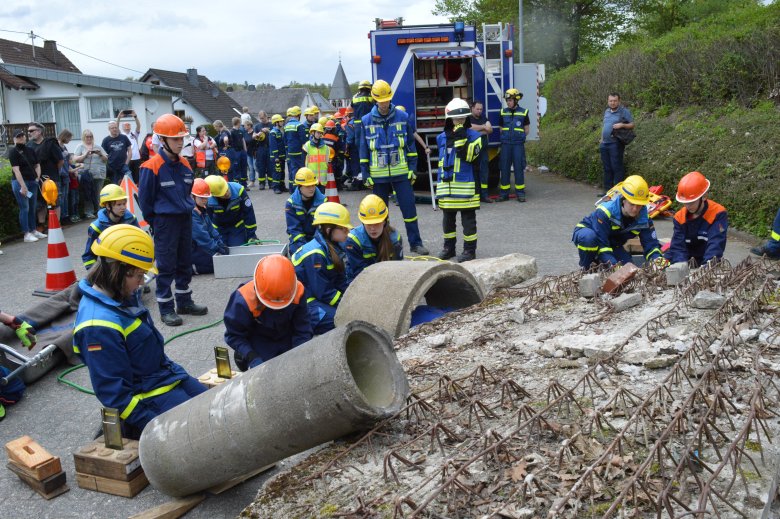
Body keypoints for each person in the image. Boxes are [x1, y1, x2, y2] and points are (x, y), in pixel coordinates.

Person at [73, 224, 207, 439]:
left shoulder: (119, 295)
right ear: (119, 271)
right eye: (138, 276)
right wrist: (155, 428)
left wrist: (181, 377)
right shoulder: (97, 327)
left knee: (217, 406)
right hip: (147, 398)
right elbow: (115, 395)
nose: (141, 283)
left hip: (164, 378)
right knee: (203, 429)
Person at [139, 114, 208, 327]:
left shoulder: (186, 164)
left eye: (182, 139)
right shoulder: (151, 167)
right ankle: (166, 308)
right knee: (167, 266)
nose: (180, 143)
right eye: (175, 139)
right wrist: (157, 222)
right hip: (165, 223)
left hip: (184, 219)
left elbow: (187, 193)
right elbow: (145, 201)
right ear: (163, 140)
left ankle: (184, 302)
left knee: (185, 262)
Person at [359, 79, 429, 255]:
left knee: (409, 210)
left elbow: (411, 147)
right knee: (380, 215)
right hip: (378, 176)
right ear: (375, 99)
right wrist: (365, 173)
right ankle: (384, 245)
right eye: (380, 100)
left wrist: (413, 169)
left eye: (387, 100)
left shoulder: (403, 117)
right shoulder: (365, 121)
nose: (384, 103)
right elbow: (363, 149)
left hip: (401, 174)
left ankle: (416, 243)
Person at [223, 255, 313, 371]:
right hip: (259, 338)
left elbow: (303, 329)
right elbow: (234, 335)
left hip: (286, 336)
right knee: (264, 371)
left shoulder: (297, 291)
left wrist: (298, 355)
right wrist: (252, 357)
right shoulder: (243, 300)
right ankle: (243, 356)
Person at [572, 175, 664, 269]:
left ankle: (600, 264)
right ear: (623, 199)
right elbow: (602, 246)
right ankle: (586, 270)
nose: (635, 209)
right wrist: (614, 266)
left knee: (629, 269)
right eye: (632, 204)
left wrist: (659, 263)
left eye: (639, 205)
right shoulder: (605, 212)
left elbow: (651, 245)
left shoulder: (644, 219)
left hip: (613, 244)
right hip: (590, 234)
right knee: (589, 239)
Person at [292, 202, 352, 334]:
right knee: (340, 319)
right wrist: (346, 305)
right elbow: (323, 292)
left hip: (316, 297)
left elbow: (340, 281)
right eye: (343, 228)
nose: (347, 232)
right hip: (304, 303)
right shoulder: (315, 254)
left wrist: (352, 297)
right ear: (328, 229)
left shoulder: (334, 247)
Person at [435, 98, 482, 262]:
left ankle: (469, 251)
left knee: (468, 222)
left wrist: (461, 139)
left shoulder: (475, 137)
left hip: (466, 188)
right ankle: (449, 248)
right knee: (448, 222)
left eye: (462, 118)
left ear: (467, 118)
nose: (459, 121)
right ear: (450, 119)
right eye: (456, 119)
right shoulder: (441, 137)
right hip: (446, 188)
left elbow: (469, 156)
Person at [665, 171, 728, 267]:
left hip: (706, 259)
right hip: (684, 258)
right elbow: (677, 246)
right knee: (659, 264)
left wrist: (708, 266)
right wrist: (680, 264)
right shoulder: (679, 217)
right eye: (685, 203)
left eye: (691, 202)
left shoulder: (717, 213)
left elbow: (716, 243)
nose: (687, 206)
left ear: (704, 197)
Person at [345, 194, 403, 283]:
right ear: (363, 222)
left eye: (376, 223)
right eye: (369, 224)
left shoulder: (395, 239)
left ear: (384, 221)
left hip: (387, 280)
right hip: (359, 282)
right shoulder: (353, 240)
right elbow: (359, 273)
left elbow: (398, 270)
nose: (372, 228)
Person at [81, 184, 141, 269]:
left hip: (129, 265)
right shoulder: (96, 227)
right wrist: (95, 275)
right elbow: (89, 256)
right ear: (108, 206)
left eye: (124, 203)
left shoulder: (132, 220)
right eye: (119, 204)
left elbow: (139, 244)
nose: (123, 207)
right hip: (109, 268)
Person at [9, 129, 45, 243]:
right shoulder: (13, 152)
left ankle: (33, 230)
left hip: (32, 181)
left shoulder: (30, 150)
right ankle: (26, 233)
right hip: (20, 182)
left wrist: (37, 177)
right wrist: (23, 186)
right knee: (25, 208)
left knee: (32, 207)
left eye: (22, 136)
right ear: (14, 139)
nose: (21, 138)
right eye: (18, 136)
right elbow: (16, 170)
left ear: (25, 137)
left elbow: (37, 164)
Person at [203, 175, 258, 247]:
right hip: (219, 229)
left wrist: (252, 235)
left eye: (227, 189)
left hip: (237, 227)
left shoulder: (239, 190)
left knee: (238, 250)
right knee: (220, 251)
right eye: (223, 194)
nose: (227, 193)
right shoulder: (209, 200)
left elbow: (248, 213)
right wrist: (212, 236)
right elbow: (208, 220)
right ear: (215, 195)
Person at [27, 122, 61, 232]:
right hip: (36, 178)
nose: (29, 133)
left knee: (53, 201)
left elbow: (60, 160)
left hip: (51, 178)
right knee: (40, 202)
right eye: (28, 131)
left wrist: (54, 173)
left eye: (32, 131)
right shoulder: (29, 146)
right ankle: (41, 225)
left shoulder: (50, 143)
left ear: (40, 131)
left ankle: (56, 223)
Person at [190, 178, 228, 275]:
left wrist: (221, 243)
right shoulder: (191, 212)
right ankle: (191, 267)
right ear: (192, 196)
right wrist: (216, 248)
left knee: (221, 261)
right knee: (217, 265)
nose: (204, 200)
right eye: (201, 198)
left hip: (200, 247)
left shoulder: (202, 209)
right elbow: (201, 236)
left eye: (206, 198)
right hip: (193, 250)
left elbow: (211, 229)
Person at [498, 89, 530, 202]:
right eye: (507, 100)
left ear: (516, 100)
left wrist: (519, 137)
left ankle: (520, 194)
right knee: (504, 168)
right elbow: (501, 128)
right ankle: (504, 194)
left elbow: (526, 129)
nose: (508, 102)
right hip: (506, 144)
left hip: (517, 145)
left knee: (518, 168)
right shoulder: (502, 112)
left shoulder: (524, 112)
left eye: (510, 100)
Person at [599, 93, 634, 196]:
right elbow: (604, 125)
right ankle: (607, 191)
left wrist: (622, 125)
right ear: (608, 101)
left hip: (615, 143)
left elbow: (632, 124)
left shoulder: (624, 111)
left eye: (614, 101)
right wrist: (601, 139)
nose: (612, 103)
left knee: (616, 167)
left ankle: (618, 192)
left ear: (619, 101)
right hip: (604, 144)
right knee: (607, 168)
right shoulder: (606, 111)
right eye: (610, 101)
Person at [286, 167, 327, 255]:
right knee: (296, 252)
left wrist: (314, 246)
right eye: (308, 186)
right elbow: (294, 230)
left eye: (313, 185)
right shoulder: (291, 203)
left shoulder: (323, 201)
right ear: (299, 187)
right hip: (300, 240)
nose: (311, 188)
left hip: (319, 238)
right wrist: (305, 248)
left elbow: (323, 228)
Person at [74, 129, 108, 219]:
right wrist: (85, 155)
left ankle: (99, 210)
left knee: (98, 193)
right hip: (86, 174)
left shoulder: (98, 146)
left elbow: (106, 159)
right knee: (87, 193)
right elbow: (75, 160)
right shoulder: (80, 146)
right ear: (83, 137)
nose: (89, 138)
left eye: (90, 136)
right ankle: (89, 212)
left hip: (98, 173)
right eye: (87, 136)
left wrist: (100, 153)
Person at [468, 100, 493, 203]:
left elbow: (490, 130)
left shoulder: (484, 118)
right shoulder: (468, 118)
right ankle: (476, 195)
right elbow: (469, 128)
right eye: (477, 109)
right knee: (473, 172)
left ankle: (485, 195)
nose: (479, 111)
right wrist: (483, 128)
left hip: (483, 150)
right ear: (472, 108)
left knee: (484, 172)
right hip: (472, 150)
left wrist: (477, 130)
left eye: (481, 109)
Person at [57, 130, 79, 224]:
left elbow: (67, 161)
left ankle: (65, 216)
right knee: (61, 197)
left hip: (66, 173)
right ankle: (62, 217)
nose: (70, 140)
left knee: (65, 196)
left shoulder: (64, 146)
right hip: (60, 174)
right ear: (65, 137)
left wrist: (72, 170)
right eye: (69, 138)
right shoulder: (57, 146)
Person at [284, 106, 307, 190]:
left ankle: (294, 188)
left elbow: (285, 140)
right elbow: (303, 139)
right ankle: (301, 187)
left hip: (290, 152)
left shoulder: (286, 126)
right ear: (298, 115)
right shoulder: (299, 125)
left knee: (293, 170)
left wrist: (288, 149)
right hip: (299, 151)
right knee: (301, 169)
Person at [302, 123, 330, 188]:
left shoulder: (326, 147)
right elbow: (302, 162)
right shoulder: (307, 146)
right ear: (312, 133)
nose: (319, 134)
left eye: (320, 133)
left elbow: (327, 163)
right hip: (311, 179)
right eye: (317, 132)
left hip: (322, 181)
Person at [117, 110, 142, 183]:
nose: (127, 126)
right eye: (125, 125)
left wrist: (135, 117)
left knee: (138, 178)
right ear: (122, 127)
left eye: (128, 125)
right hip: (127, 159)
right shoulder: (121, 135)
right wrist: (119, 117)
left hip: (137, 158)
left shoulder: (134, 135)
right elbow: (116, 126)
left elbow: (138, 126)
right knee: (128, 178)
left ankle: (137, 193)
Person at [252, 111, 272, 190]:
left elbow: (277, 134)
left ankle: (271, 183)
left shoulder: (272, 125)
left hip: (269, 147)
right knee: (261, 166)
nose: (261, 120)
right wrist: (256, 135)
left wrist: (268, 131)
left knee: (270, 166)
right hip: (261, 148)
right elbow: (253, 135)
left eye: (263, 118)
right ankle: (261, 183)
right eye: (260, 118)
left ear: (266, 116)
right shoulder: (257, 126)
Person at [269, 114, 287, 194]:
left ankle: (282, 186)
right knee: (277, 172)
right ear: (276, 123)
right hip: (276, 157)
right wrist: (276, 157)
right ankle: (276, 187)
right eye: (281, 121)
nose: (282, 122)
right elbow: (274, 146)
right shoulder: (273, 133)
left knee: (282, 172)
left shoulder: (280, 131)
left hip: (282, 156)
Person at [229, 117, 248, 187]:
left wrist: (245, 150)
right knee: (236, 168)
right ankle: (237, 185)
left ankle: (244, 184)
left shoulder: (240, 131)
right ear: (238, 123)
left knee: (244, 167)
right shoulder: (231, 132)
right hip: (236, 152)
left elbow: (243, 140)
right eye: (240, 122)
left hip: (242, 151)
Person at [244, 120, 258, 188]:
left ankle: (263, 176)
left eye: (245, 125)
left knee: (256, 167)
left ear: (249, 126)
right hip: (248, 153)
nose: (244, 127)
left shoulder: (254, 132)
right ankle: (252, 181)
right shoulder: (245, 133)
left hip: (255, 152)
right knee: (251, 168)